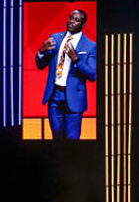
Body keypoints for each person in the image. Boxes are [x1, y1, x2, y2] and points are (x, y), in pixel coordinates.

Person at [35, 9, 97, 139]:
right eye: (70, 18)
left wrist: (76, 59)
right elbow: (40, 65)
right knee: (56, 137)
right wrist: (41, 50)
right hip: (55, 96)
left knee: (72, 138)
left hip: (74, 98)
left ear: (83, 25)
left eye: (77, 20)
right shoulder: (55, 39)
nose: (71, 22)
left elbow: (93, 75)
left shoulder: (90, 46)